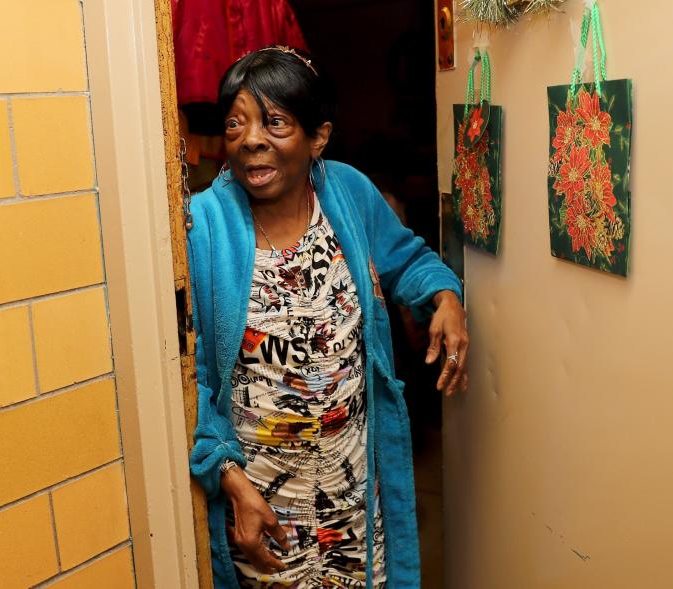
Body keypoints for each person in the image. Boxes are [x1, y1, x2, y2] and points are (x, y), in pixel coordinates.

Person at [187, 46, 469, 589]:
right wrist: (227, 477)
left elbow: (406, 257)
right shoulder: (204, 225)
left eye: (274, 122)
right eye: (235, 123)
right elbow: (191, 369)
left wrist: (445, 296)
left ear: (317, 137)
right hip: (262, 503)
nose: (251, 140)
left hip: (353, 492)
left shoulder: (348, 192)